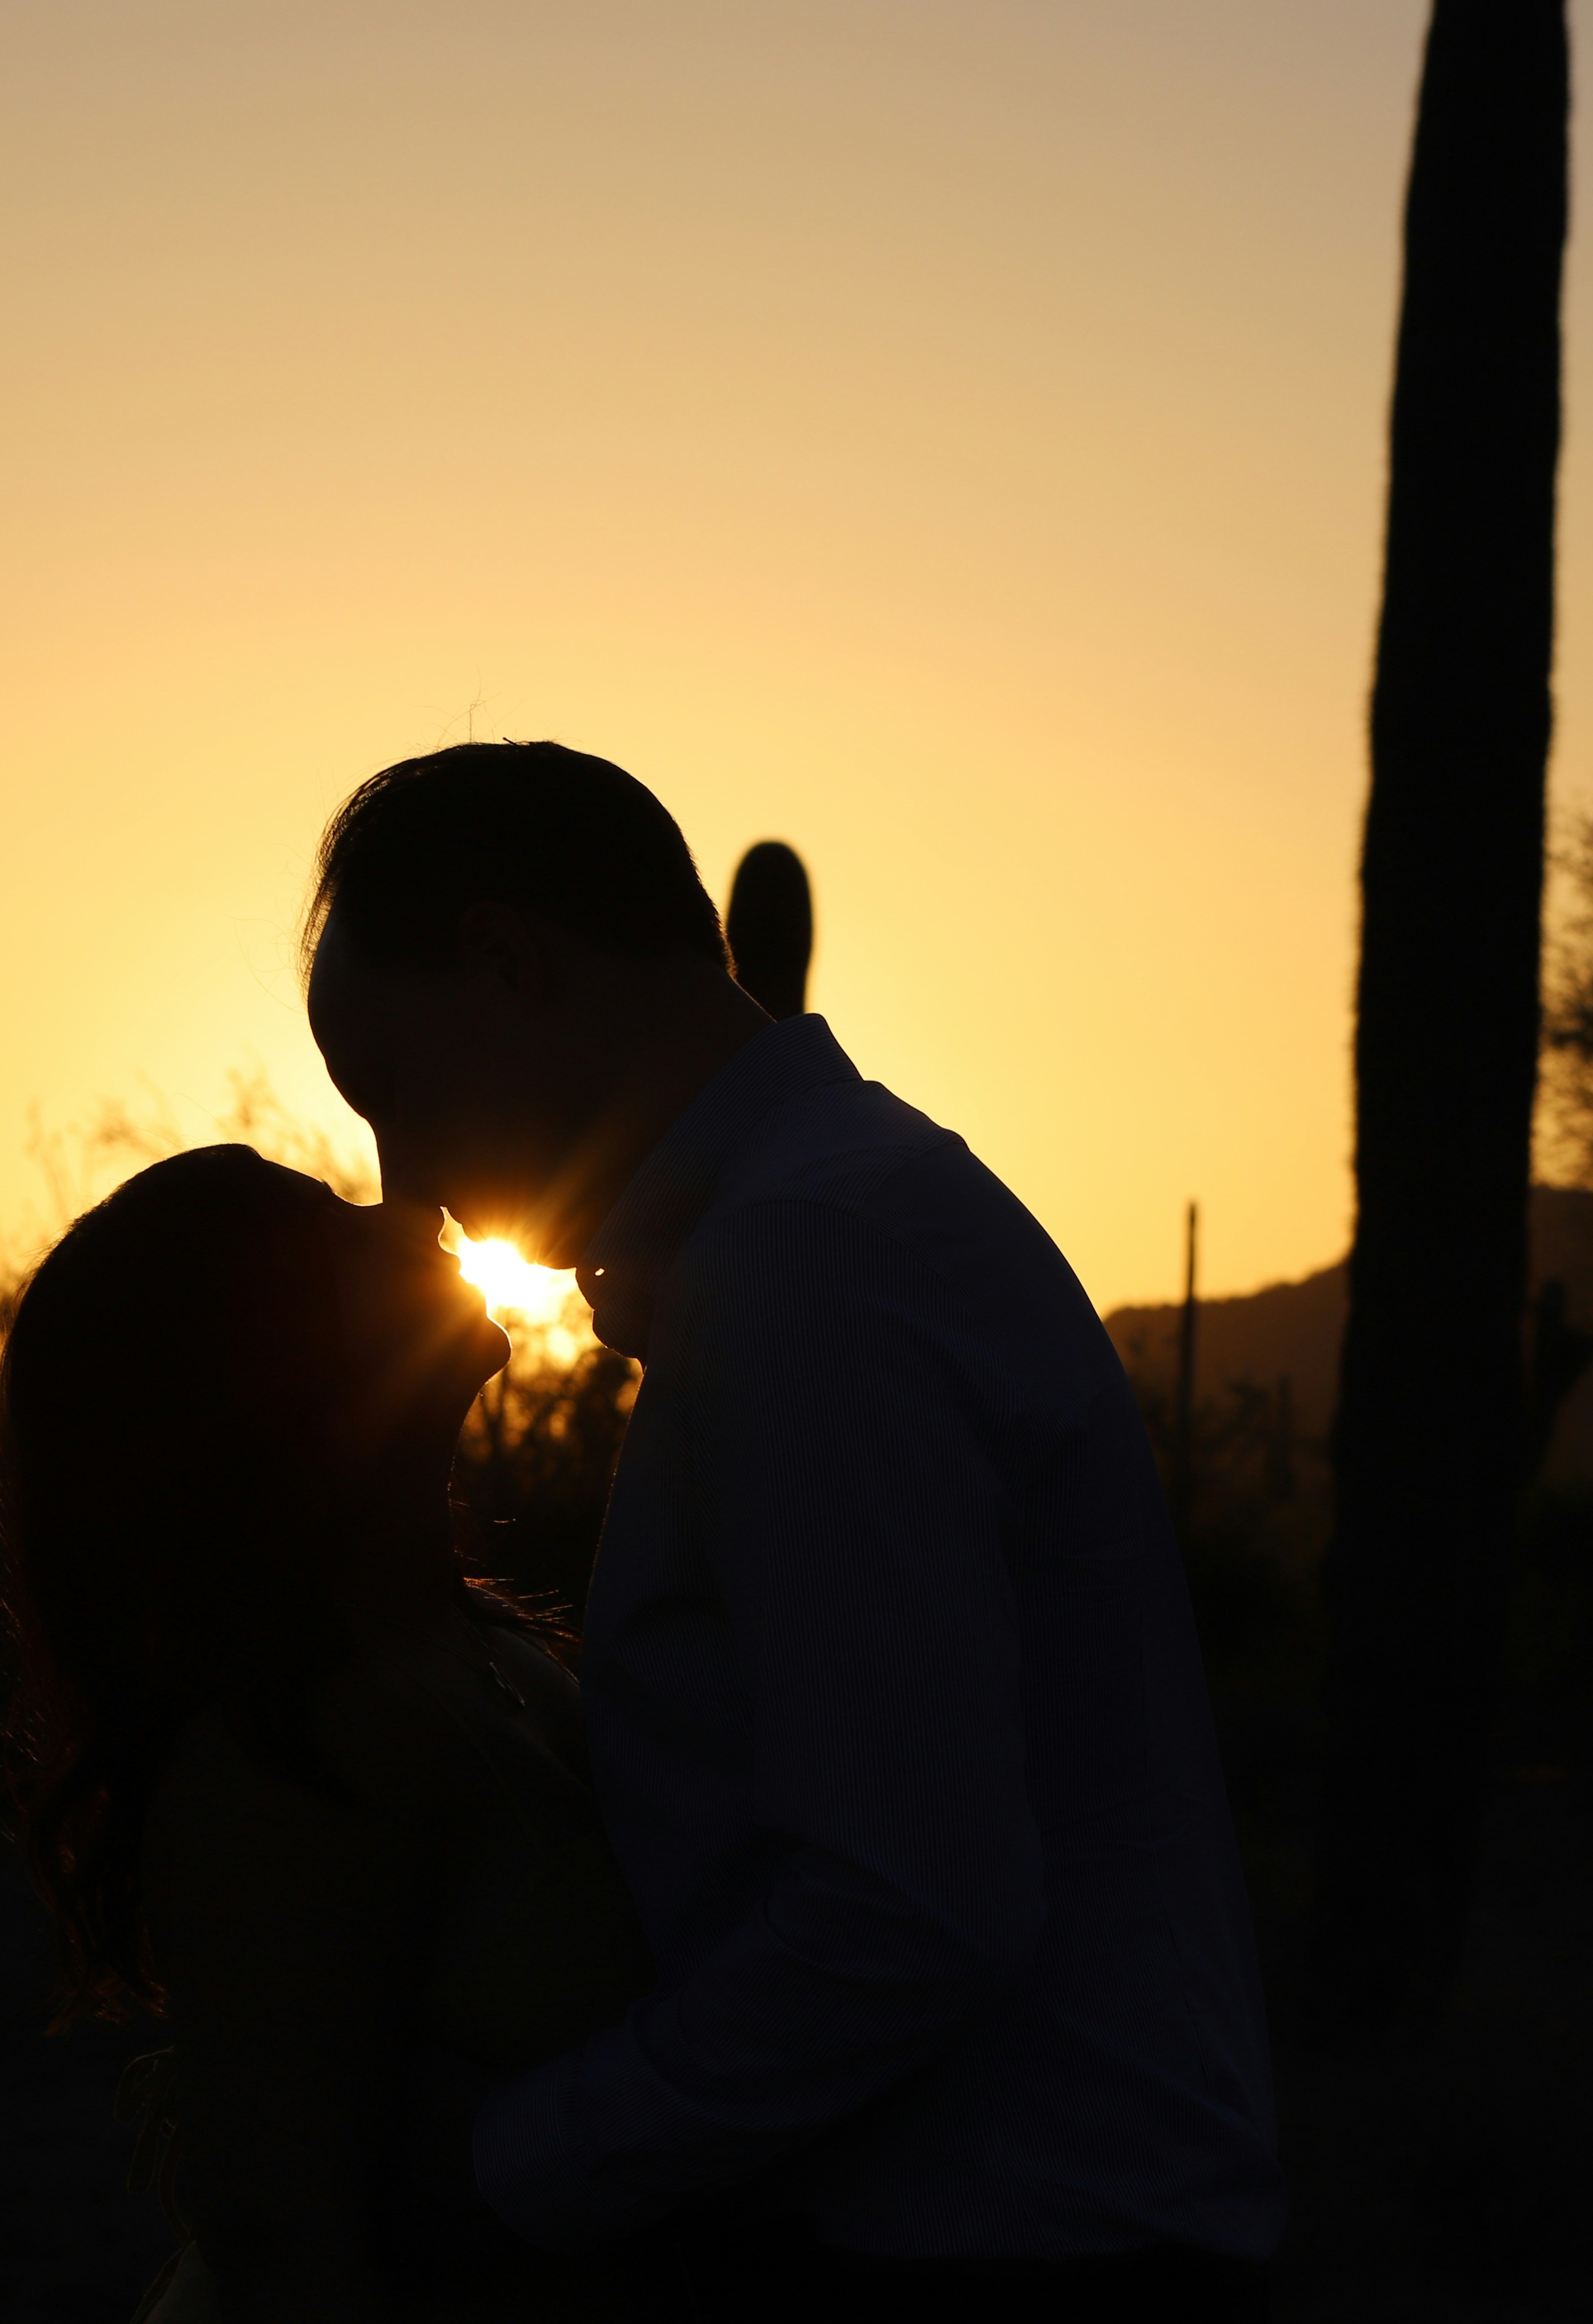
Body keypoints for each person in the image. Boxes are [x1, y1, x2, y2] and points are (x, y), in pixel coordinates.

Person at [306, 741, 1286, 2318]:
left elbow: (908, 1910)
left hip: (1002, 2248)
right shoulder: (835, 1224)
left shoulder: (809, 1270)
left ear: (508, 961)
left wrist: (506, 2166)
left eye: (391, 1087)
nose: (401, 1175)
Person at [0, 1145, 658, 2321]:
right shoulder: (289, 1752)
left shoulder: (488, 1642)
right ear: (266, 1363)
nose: (411, 1215)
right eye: (339, 1232)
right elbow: (281, 2241)